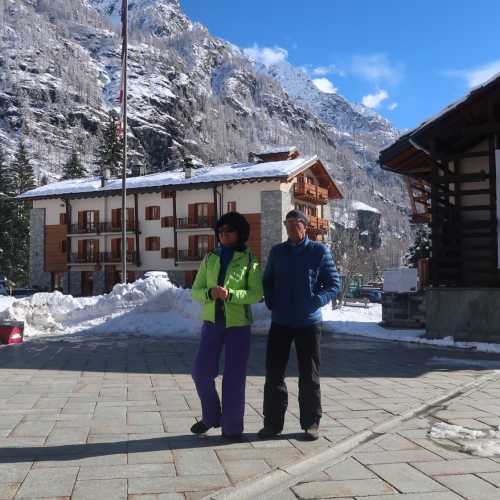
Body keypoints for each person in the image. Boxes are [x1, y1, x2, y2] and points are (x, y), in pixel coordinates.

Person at [259, 209, 340, 441]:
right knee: (274, 374)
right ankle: (272, 424)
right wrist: (271, 299)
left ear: (305, 227)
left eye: (296, 223)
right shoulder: (278, 252)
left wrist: (316, 301)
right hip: (281, 322)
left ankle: (311, 423)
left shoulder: (319, 251)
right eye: (288, 223)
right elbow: (267, 280)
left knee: (309, 374)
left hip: (308, 323)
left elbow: (333, 284)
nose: (292, 227)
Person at [191, 212, 263, 441]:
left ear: (239, 233)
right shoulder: (210, 257)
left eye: (229, 231)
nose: (224, 235)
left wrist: (231, 294)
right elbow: (195, 290)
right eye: (220, 232)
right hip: (212, 323)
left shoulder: (250, 260)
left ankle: (232, 428)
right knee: (200, 372)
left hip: (238, 326)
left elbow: (256, 294)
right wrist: (209, 293)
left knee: (234, 377)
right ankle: (211, 415)